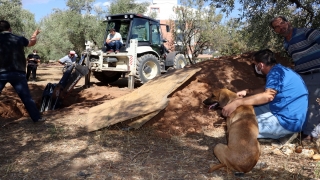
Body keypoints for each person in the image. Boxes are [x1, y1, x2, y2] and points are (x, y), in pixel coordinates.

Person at [222, 49, 308, 142]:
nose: (255, 67)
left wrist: (238, 102)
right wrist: (248, 91)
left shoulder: (275, 73)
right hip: (289, 113)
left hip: (288, 122)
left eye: (255, 64)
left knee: (240, 127)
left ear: (261, 65)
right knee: (248, 109)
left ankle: (284, 134)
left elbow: (268, 96)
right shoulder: (280, 70)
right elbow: (267, 88)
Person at [270, 16, 320, 141]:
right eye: (277, 26)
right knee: (302, 102)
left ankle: (310, 135)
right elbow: (298, 60)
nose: (281, 27)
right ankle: (306, 130)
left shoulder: (307, 32)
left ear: (288, 22)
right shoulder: (286, 43)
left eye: (282, 23)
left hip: (317, 72)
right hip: (303, 76)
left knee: (311, 103)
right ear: (275, 31)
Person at [0, 20, 45, 122]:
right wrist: (34, 34)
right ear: (9, 29)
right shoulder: (18, 38)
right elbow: (31, 43)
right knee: (26, 97)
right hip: (18, 73)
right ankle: (37, 118)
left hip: (1, 73)